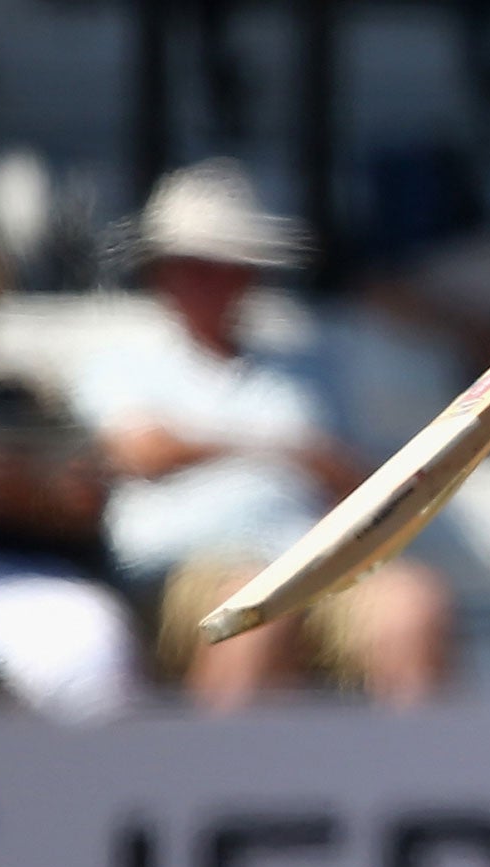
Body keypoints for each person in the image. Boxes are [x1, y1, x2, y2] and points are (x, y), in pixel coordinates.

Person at [69, 160, 452, 709]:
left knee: (414, 606)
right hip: (186, 570)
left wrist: (300, 458)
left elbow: (365, 486)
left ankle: (422, 779)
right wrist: (281, 449)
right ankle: (214, 783)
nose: (213, 281)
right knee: (256, 611)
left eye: (227, 266)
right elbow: (141, 451)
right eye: (194, 266)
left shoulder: (309, 369)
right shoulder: (123, 363)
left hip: (313, 562)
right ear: (163, 273)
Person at [0, 205, 143, 721]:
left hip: (12, 573)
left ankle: (90, 796)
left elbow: (85, 503)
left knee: (92, 642)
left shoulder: (20, 400)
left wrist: (32, 499)